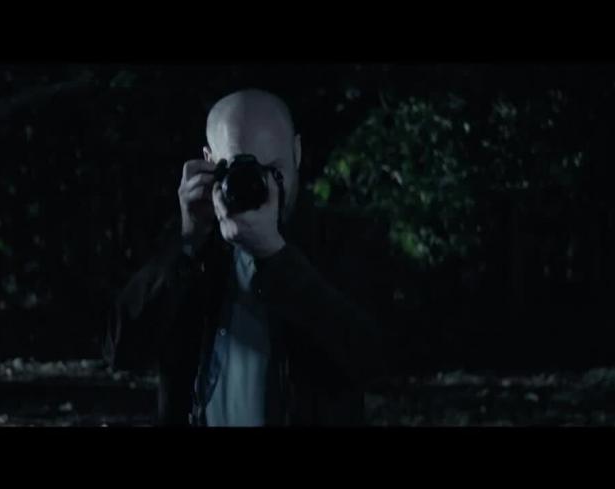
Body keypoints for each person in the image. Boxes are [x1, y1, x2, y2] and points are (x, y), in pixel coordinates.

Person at [104, 88, 397, 426]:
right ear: (209, 162)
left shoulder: (341, 241)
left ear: (297, 152)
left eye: (272, 169)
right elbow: (121, 350)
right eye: (241, 170)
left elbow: (372, 360)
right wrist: (187, 244)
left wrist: (275, 254)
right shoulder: (194, 242)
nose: (261, 186)